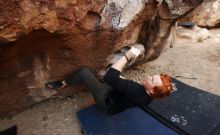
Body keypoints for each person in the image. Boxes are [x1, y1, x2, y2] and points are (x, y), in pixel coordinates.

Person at [45, 44, 173, 114]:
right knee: (110, 73)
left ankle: (62, 84)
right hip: (116, 98)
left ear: (151, 91)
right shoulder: (149, 96)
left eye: (151, 80)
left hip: (106, 102)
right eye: (152, 76)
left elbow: (110, 77)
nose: (149, 77)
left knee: (84, 72)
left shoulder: (137, 90)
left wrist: (127, 56)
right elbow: (126, 86)